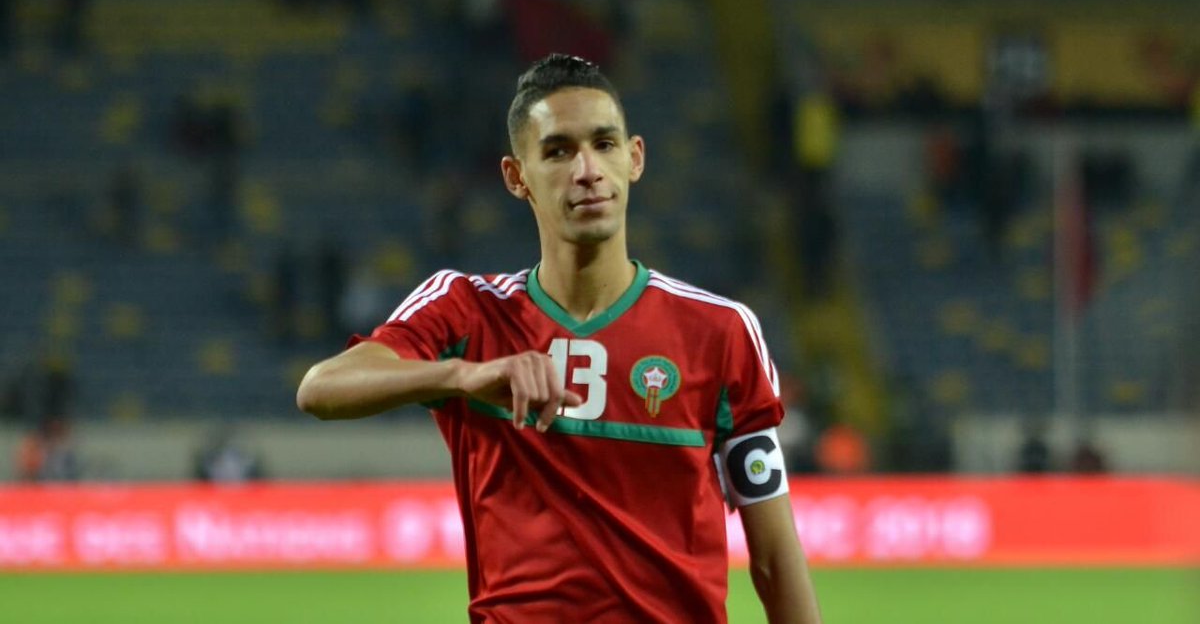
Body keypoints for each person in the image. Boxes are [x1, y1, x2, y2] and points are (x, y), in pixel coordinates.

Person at [297, 54, 822, 623]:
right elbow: (321, 388)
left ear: (635, 158)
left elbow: (775, 557)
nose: (587, 170)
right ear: (516, 176)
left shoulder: (720, 331)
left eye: (604, 144)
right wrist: (463, 376)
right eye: (557, 151)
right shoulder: (468, 311)